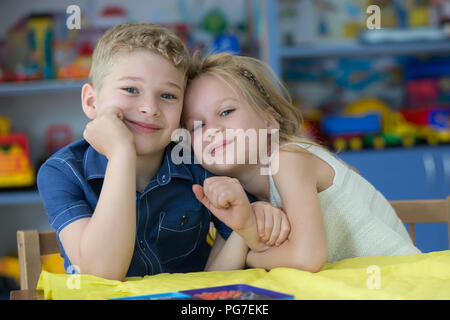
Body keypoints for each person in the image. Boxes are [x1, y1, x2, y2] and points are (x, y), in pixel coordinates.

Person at [37, 23, 289, 281]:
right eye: (131, 89)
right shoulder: (62, 172)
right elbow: (103, 274)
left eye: (168, 95)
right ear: (91, 101)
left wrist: (247, 224)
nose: (150, 108)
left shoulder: (198, 162)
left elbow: (226, 260)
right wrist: (122, 154)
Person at [182, 51, 421, 273]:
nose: (212, 130)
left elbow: (307, 258)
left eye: (226, 112)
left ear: (269, 122)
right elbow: (215, 276)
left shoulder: (288, 160)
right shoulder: (239, 193)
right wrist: (243, 231)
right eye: (198, 126)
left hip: (400, 282)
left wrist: (252, 255)